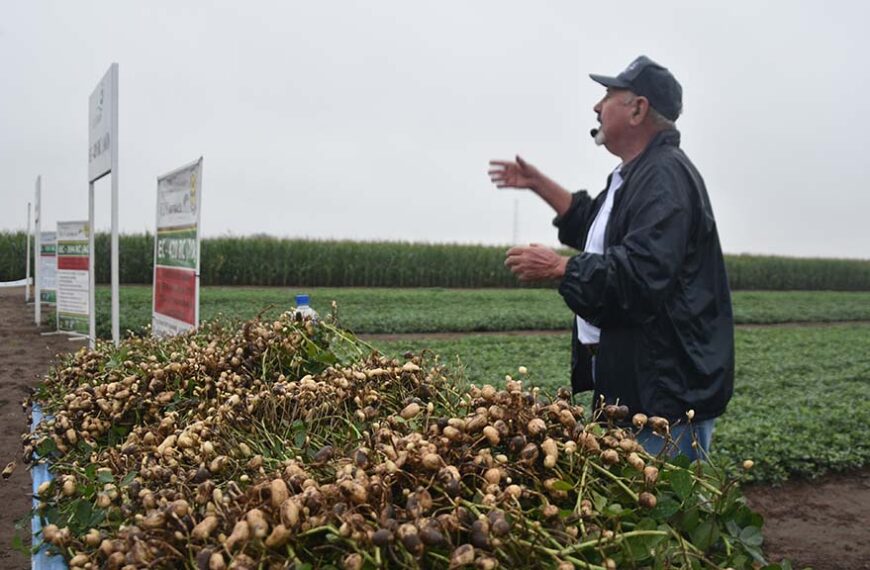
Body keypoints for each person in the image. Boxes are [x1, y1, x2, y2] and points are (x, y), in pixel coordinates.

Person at [488, 56, 734, 461]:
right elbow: (590, 224)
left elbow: (640, 275)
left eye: (608, 95)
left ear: (638, 109)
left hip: (663, 399)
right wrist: (535, 182)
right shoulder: (633, 176)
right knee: (636, 510)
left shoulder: (663, 178)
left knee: (663, 513)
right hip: (637, 387)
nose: (596, 107)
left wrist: (558, 267)